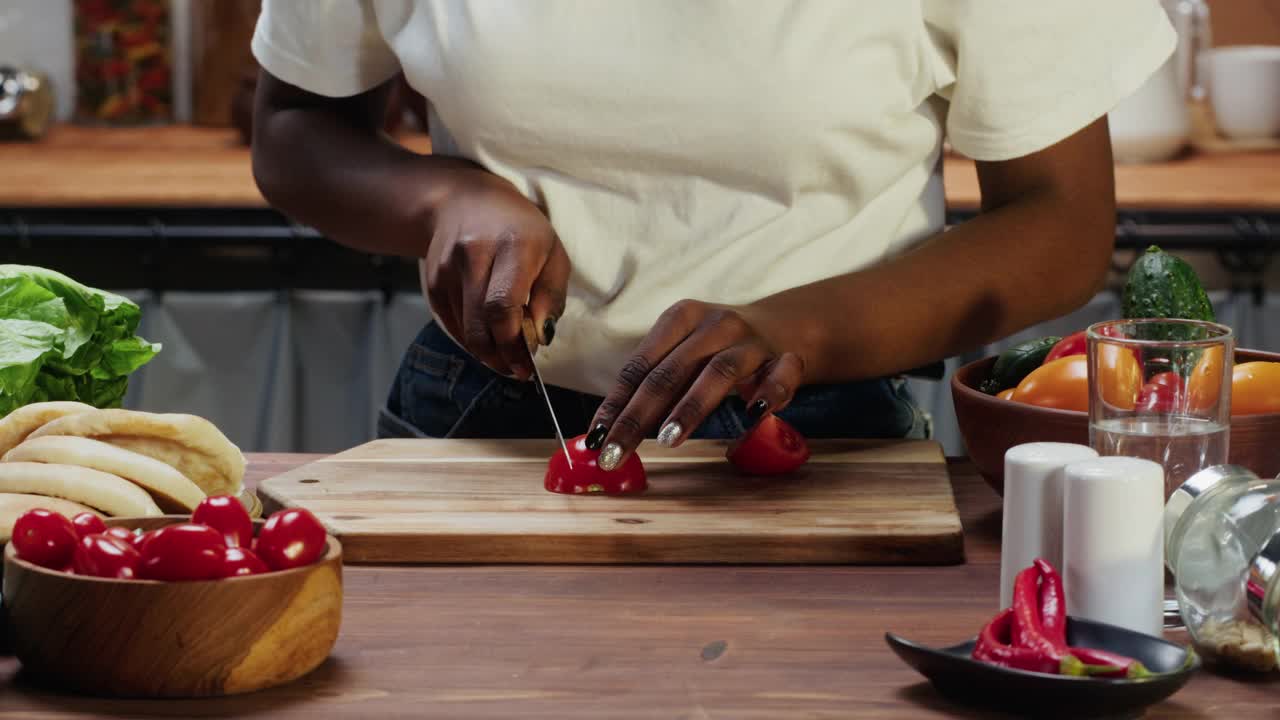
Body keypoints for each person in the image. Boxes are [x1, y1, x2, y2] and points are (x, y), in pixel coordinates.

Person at [251, 1, 1175, 471]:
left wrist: (797, 331)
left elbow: (1063, 223)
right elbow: (293, 128)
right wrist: (444, 198)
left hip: (822, 435)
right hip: (482, 415)